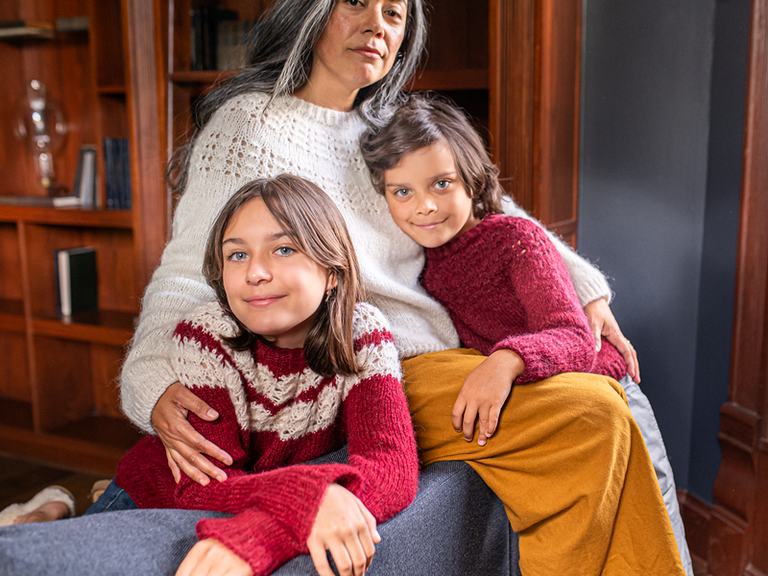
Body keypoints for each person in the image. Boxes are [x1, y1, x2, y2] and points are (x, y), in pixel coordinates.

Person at [8, 0, 682, 574]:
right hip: (372, 362)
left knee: (613, 392)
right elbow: (191, 272)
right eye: (357, 1)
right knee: (597, 415)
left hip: (448, 357)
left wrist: (586, 289)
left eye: (395, 12)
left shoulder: (387, 126)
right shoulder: (251, 126)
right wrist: (155, 384)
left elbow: (489, 204)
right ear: (313, 11)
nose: (377, 23)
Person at [0, 174, 419, 576]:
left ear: (332, 271)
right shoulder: (207, 335)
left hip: (251, 496)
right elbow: (202, 483)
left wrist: (273, 527)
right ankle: (53, 509)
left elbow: (393, 465)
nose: (256, 272)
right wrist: (310, 494)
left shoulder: (363, 334)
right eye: (237, 254)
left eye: (284, 249)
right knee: (54, 553)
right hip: (156, 493)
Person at [360, 91, 693, 575]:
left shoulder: (516, 240)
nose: (424, 207)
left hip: (607, 386)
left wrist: (507, 358)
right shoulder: (424, 266)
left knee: (653, 524)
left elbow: (575, 336)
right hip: (547, 393)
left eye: (441, 184)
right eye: (402, 192)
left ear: (472, 183)